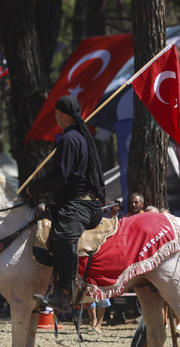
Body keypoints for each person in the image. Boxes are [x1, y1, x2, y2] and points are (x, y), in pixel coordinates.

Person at [25, 95, 105, 312]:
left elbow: (60, 176)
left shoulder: (70, 139)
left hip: (79, 205)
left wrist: (34, 188)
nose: (55, 116)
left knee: (63, 237)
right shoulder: (77, 137)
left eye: (55, 113)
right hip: (72, 202)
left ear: (60, 113)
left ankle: (65, 291)